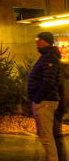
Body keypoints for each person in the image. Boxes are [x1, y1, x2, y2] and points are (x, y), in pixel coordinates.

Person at [28, 32, 62, 161]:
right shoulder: (48, 56)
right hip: (45, 101)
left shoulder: (49, 58)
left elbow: (49, 81)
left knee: (46, 136)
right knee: (46, 135)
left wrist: (37, 98)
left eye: (39, 39)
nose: (37, 41)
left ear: (45, 41)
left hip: (45, 102)